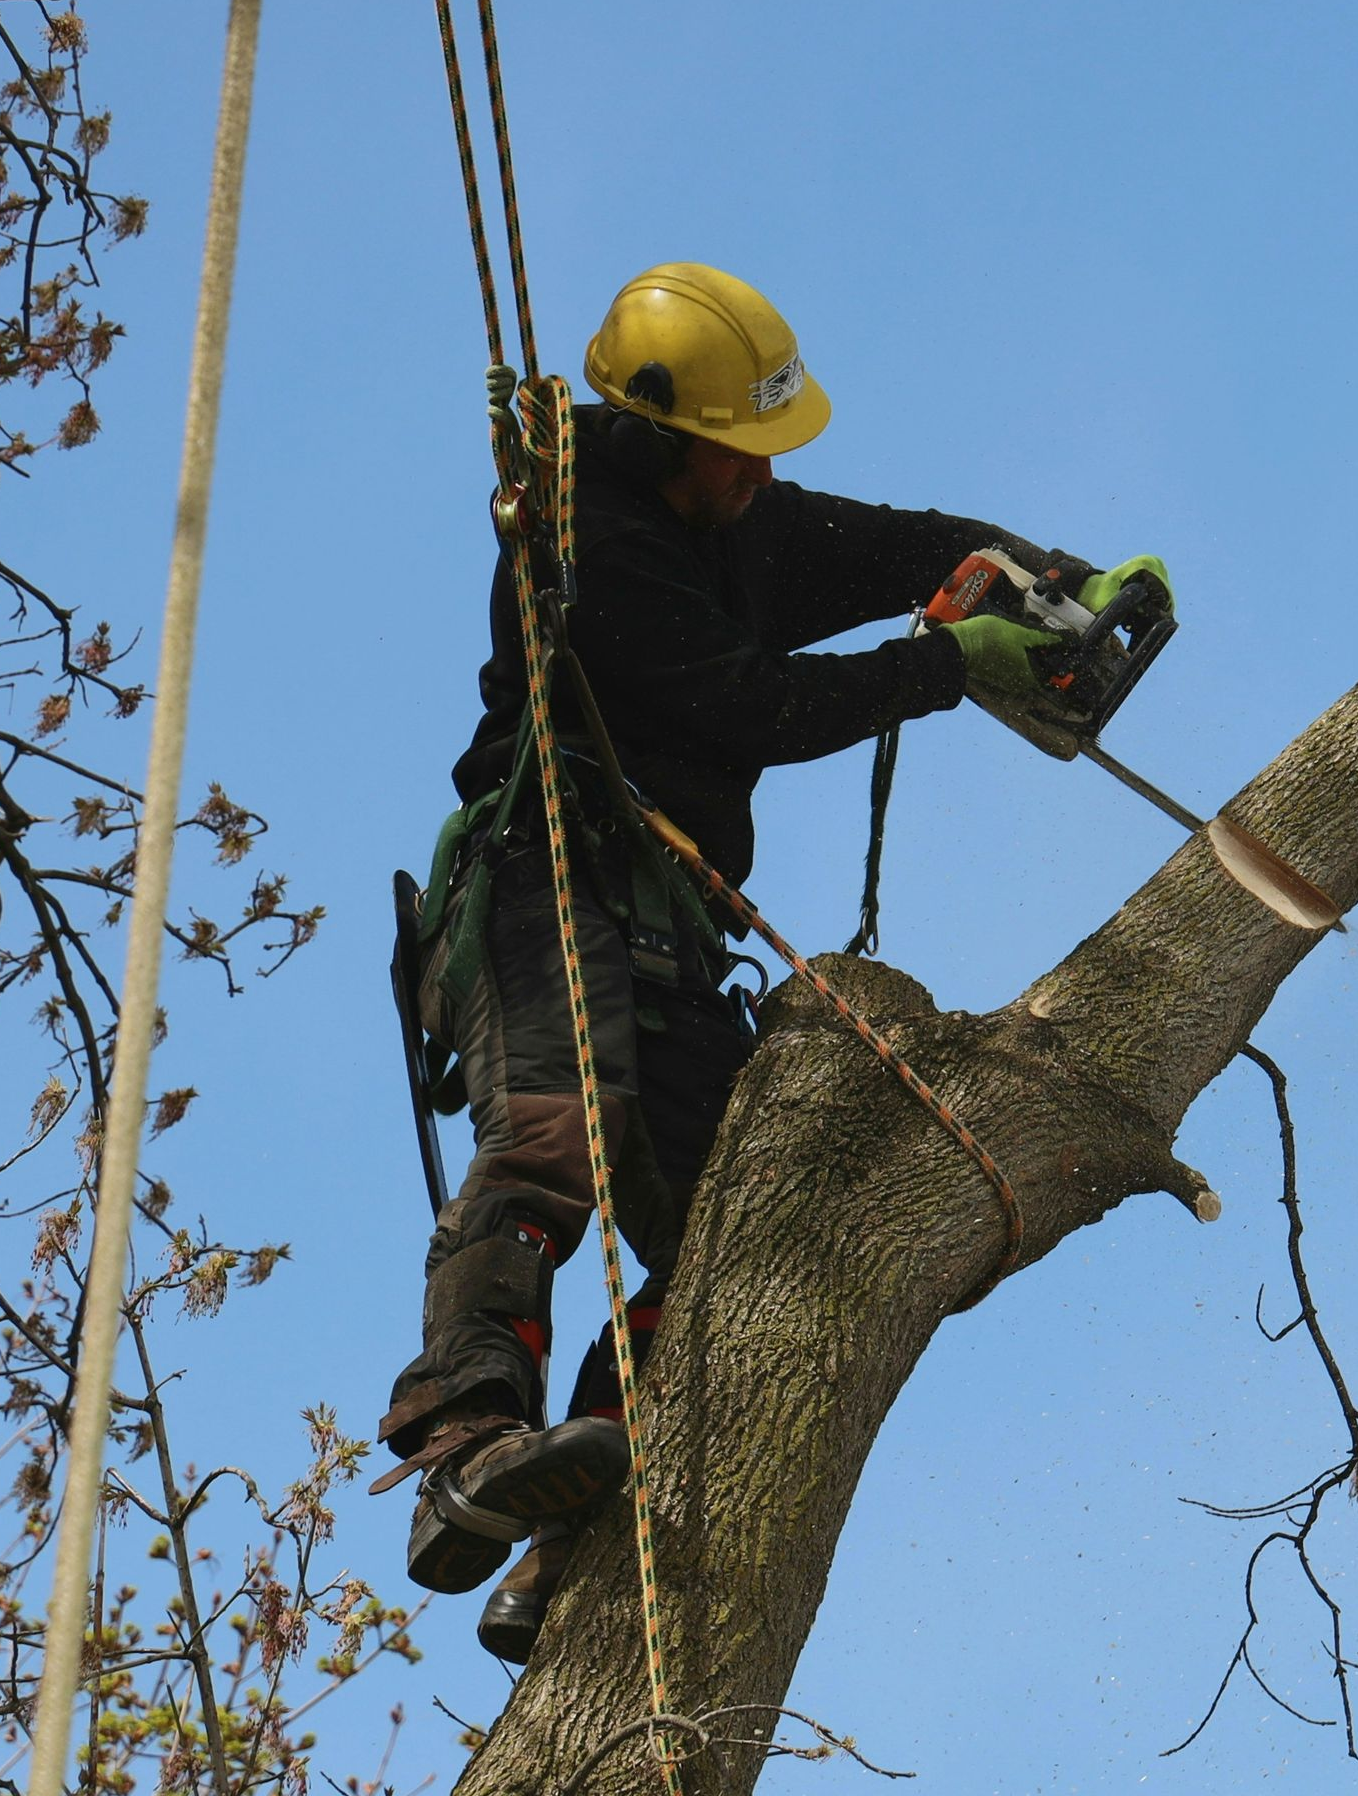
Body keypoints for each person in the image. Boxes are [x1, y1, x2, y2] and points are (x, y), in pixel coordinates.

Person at [373, 262, 1164, 1660]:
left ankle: (579, 1521)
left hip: (673, 932)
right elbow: (756, 707)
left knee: (750, 1216)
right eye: (733, 458)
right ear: (663, 436)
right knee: (557, 1137)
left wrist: (1047, 579)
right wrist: (948, 664)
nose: (755, 481)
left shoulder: (739, 520)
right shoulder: (587, 540)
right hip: (539, 878)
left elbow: (908, 546)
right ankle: (465, 1452)